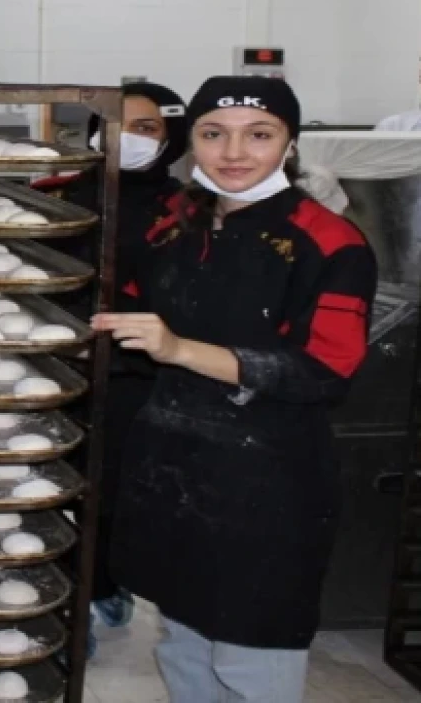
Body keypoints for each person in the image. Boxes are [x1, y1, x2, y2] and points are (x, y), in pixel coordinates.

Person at [94, 77, 377, 701]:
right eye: (214, 134)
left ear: (290, 143)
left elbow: (326, 370)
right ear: (191, 141)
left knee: (253, 658)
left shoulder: (329, 242)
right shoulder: (174, 229)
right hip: (173, 468)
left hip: (266, 484)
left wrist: (179, 350)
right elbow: (132, 314)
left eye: (260, 135)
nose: (234, 152)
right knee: (184, 643)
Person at [35, 81, 189, 641]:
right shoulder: (58, 195)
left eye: (146, 128)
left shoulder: (188, 211)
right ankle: (54, 593)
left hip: (136, 376)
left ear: (172, 138)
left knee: (110, 492)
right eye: (116, 126)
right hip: (53, 368)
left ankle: (99, 592)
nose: (127, 139)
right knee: (51, 484)